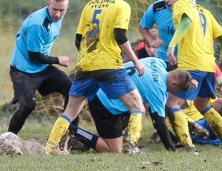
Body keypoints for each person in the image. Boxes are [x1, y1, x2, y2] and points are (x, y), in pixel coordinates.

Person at [44, 0, 146, 155]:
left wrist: (89, 57)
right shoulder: (121, 5)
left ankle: (49, 147)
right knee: (137, 106)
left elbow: (78, 39)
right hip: (109, 65)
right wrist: (136, 61)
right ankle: (131, 145)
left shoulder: (89, 6)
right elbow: (120, 35)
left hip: (85, 65)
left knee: (70, 111)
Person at [163, 0, 222, 150]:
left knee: (171, 104)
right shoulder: (205, 11)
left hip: (191, 65)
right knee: (202, 105)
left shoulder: (181, 5)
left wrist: (172, 46)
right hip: (207, 66)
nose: (167, 0)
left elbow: (186, 23)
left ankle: (186, 144)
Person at [66, 57, 194, 153]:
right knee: (114, 150)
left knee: (143, 105)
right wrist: (170, 149)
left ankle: (115, 136)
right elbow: (159, 123)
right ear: (173, 84)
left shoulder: (156, 61)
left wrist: (189, 79)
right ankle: (72, 130)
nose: (171, 93)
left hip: (100, 87)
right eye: (175, 92)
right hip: (104, 103)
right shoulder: (158, 90)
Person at [8, 0, 72, 135]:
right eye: (54, 9)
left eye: (61, 10)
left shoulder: (57, 17)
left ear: (66, 9)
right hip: (22, 71)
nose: (57, 14)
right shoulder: (38, 24)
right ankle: (8, 139)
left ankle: (69, 134)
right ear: (48, 5)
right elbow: (34, 57)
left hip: (41, 68)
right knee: (28, 105)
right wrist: (58, 60)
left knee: (73, 90)